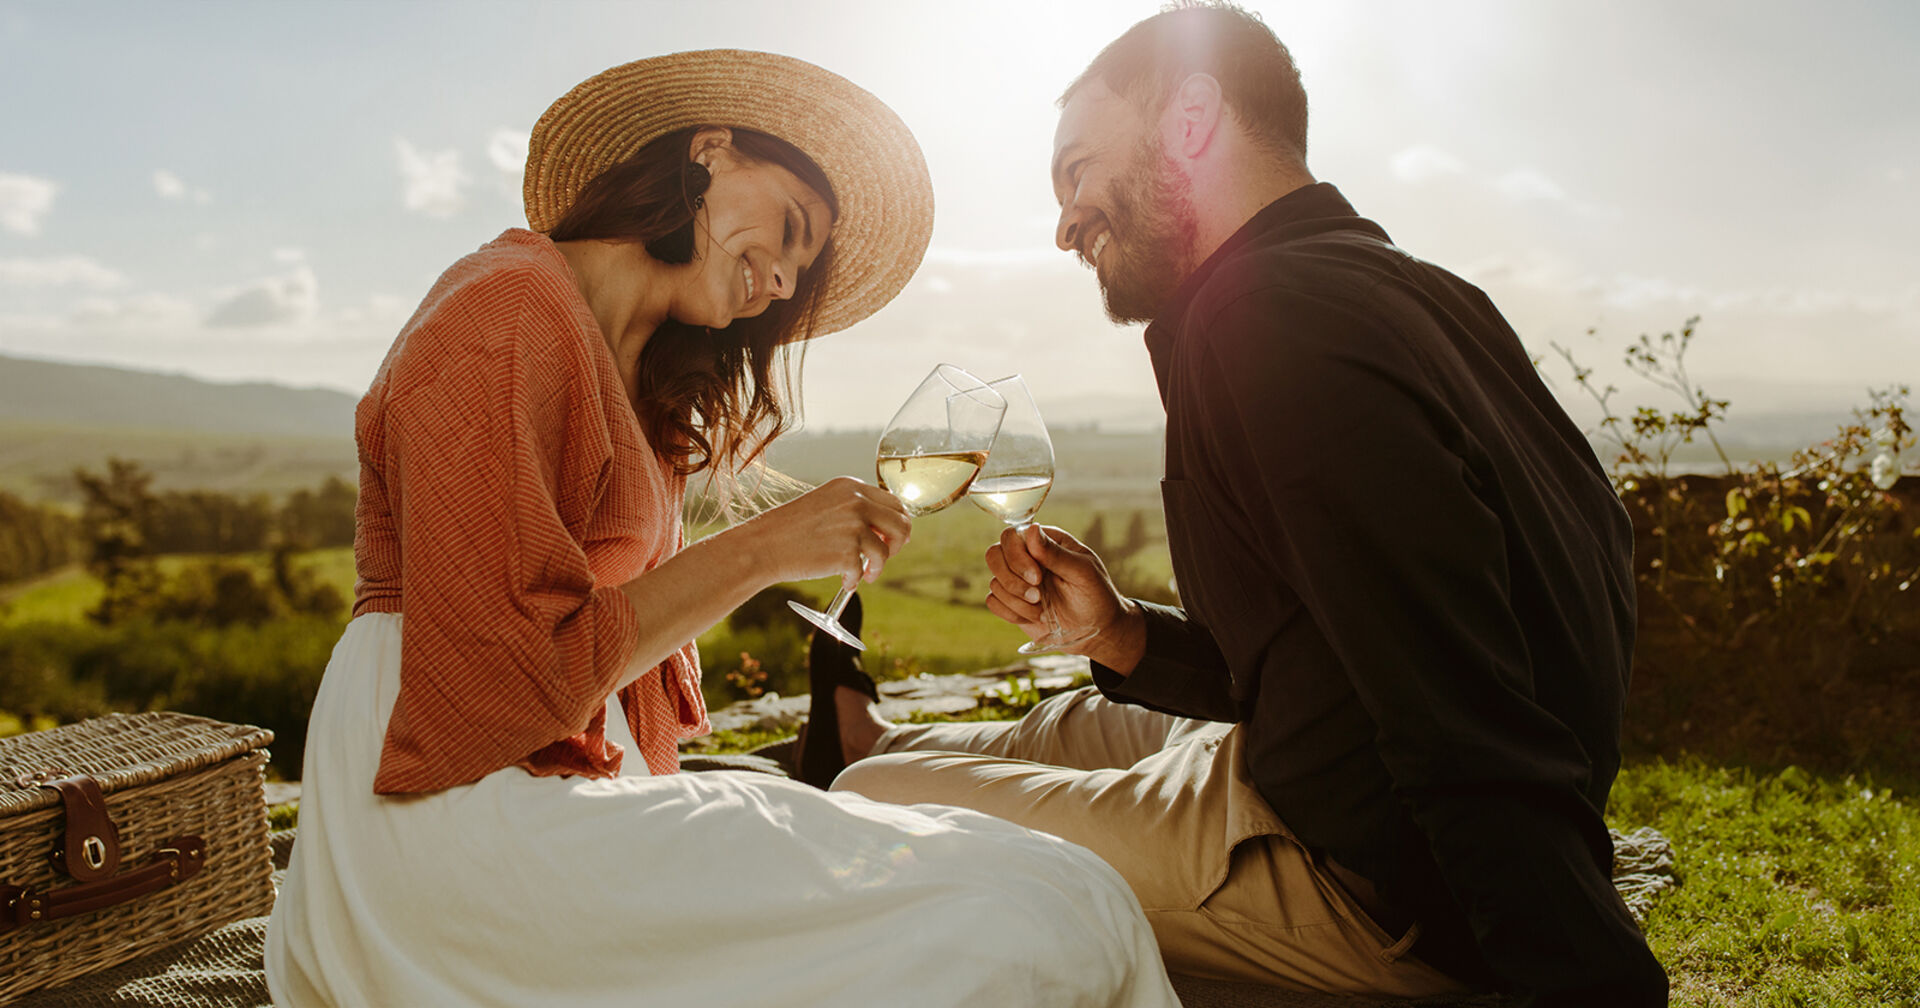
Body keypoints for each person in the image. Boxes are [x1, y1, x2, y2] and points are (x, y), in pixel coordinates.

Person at [263, 49, 1179, 1008]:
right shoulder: (505, 311)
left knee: (1064, 888)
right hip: (443, 804)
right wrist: (767, 549)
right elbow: (500, 682)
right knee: (1021, 925)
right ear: (709, 153)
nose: (782, 280)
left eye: (802, 268)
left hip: (557, 775)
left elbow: (598, 660)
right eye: (789, 228)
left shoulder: (640, 376)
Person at [813, 6, 1671, 1006]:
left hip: (1366, 886)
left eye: (1080, 171)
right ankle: (870, 735)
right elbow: (1336, 643)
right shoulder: (1424, 293)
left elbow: (1452, 696)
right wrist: (1123, 632)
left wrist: (1583, 976)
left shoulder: (1268, 320)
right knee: (1065, 725)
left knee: (865, 805)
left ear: (1190, 119)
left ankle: (864, 763)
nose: (1066, 223)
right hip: (1315, 774)